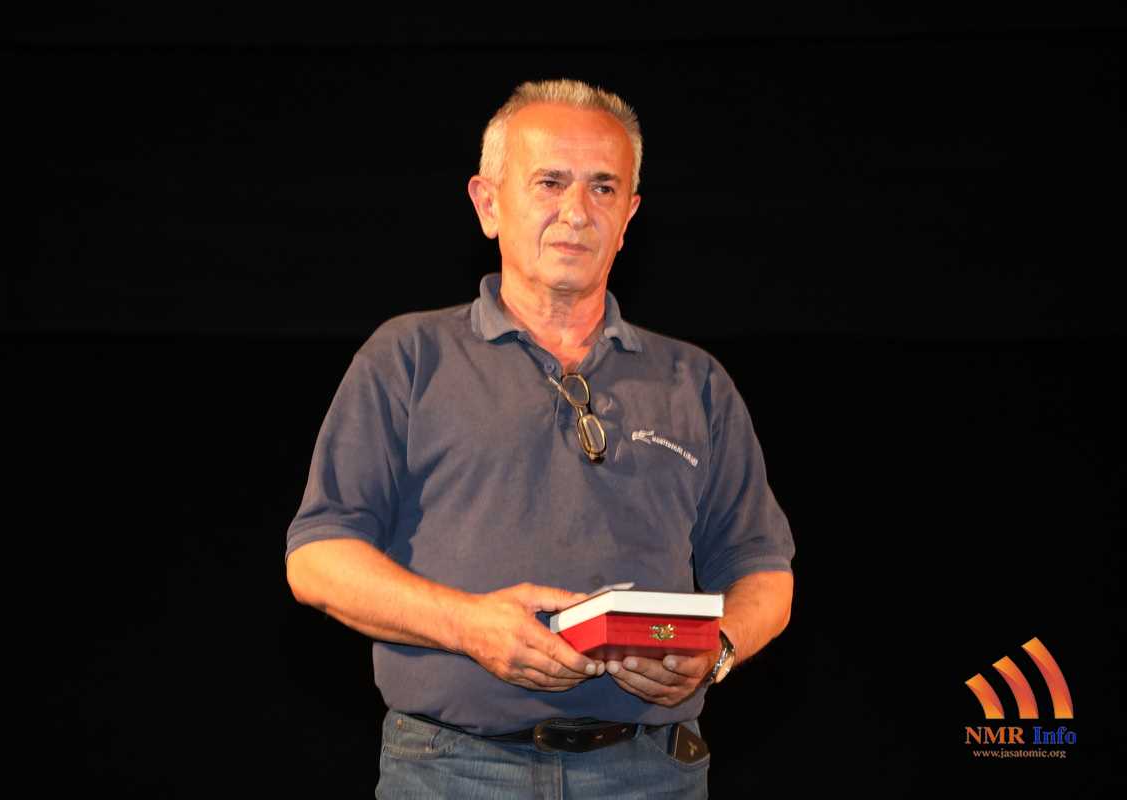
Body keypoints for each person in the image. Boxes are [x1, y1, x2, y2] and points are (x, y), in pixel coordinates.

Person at [285, 78, 795, 798]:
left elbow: (763, 572)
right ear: (488, 204)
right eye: (550, 182)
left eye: (603, 187)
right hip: (450, 771)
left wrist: (719, 650)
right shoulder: (408, 358)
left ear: (629, 216)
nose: (576, 212)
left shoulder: (695, 381)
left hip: (651, 774)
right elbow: (317, 560)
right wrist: (468, 625)